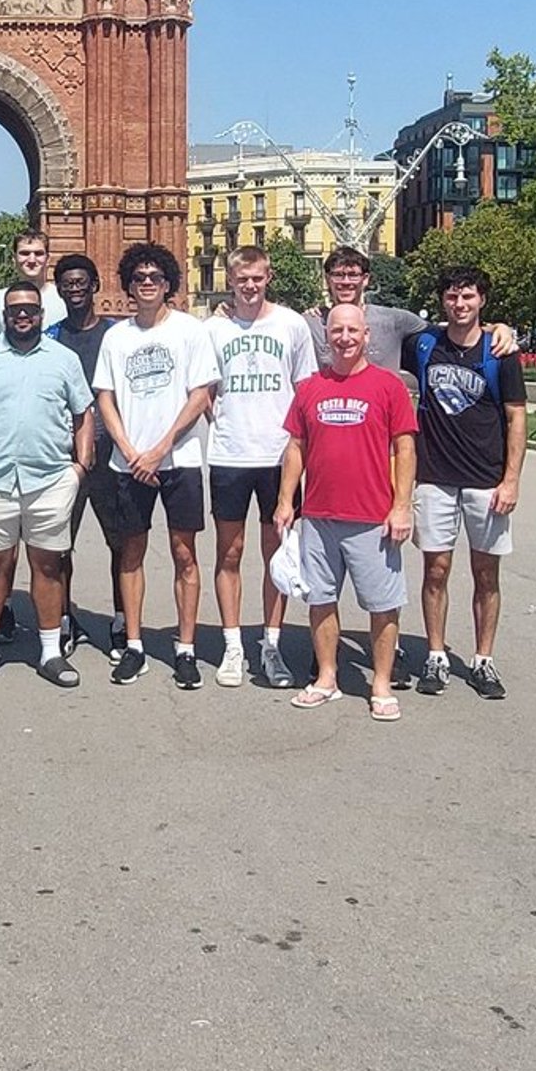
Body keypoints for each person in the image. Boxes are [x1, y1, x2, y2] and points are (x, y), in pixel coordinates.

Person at [0, 279, 96, 687]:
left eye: (29, 309)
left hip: (50, 479)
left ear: (41, 314)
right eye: (14, 310)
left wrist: (80, 466)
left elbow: (83, 413)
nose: (23, 315)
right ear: (4, 314)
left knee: (48, 565)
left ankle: (50, 652)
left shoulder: (64, 359)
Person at [274, 300, 417, 720]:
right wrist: (287, 500)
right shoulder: (311, 388)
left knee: (382, 605)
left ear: (366, 336)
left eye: (353, 330)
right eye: (337, 330)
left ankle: (381, 683)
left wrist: (402, 505)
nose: (345, 338)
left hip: (374, 517)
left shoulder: (388, 387)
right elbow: (296, 447)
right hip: (319, 516)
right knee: (320, 600)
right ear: (327, 336)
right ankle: (327, 677)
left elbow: (405, 448)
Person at [92, 241, 219, 688]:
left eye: (155, 278)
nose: (147, 284)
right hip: (129, 462)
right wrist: (129, 450)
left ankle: (185, 648)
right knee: (130, 553)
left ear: (169, 284)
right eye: (139, 278)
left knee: (185, 553)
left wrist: (160, 447)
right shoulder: (117, 336)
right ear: (128, 284)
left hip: (178, 459)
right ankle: (134, 645)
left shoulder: (190, 330)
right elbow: (104, 398)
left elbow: (200, 394)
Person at [406, 263, 527, 701]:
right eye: (453, 297)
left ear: (483, 301)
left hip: (485, 479)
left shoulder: (501, 352)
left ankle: (482, 659)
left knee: (486, 572)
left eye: (468, 296)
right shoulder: (423, 344)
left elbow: (516, 417)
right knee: (435, 569)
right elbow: (370, 338)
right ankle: (435, 654)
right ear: (443, 301)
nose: (460, 304)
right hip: (435, 476)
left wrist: (510, 480)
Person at [205, 243, 316, 690]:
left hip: (279, 457)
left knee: (278, 556)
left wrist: (299, 447)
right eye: (241, 279)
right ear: (230, 280)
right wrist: (226, 423)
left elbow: (304, 390)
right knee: (229, 553)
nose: (249, 286)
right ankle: (233, 645)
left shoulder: (291, 325)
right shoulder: (213, 330)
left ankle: (270, 645)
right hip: (230, 455)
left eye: (257, 278)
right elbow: (204, 390)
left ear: (268, 277)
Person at [48, 252, 120, 651]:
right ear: (58, 289)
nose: (75, 289)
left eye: (81, 282)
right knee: (59, 545)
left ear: (95, 285)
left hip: (111, 456)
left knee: (121, 543)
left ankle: (122, 620)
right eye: (67, 283)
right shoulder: (51, 337)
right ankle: (62, 620)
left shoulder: (116, 335)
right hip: (64, 458)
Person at [304, 243, 517, 372]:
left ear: (366, 279)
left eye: (353, 275)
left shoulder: (395, 320)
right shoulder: (310, 323)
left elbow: (448, 329)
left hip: (380, 429)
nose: (346, 281)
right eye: (338, 275)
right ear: (328, 279)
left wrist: (497, 328)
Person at [0, 224, 63, 335]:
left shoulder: (62, 298)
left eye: (38, 254)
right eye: (25, 253)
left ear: (48, 259)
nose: (32, 260)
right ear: (14, 259)